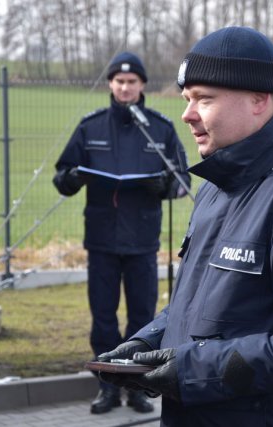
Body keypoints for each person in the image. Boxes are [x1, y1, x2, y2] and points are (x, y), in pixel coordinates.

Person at [95, 26, 273, 426]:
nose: (187, 114)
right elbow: (201, 307)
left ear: (259, 99)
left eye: (204, 99)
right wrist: (146, 343)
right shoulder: (215, 189)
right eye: (188, 99)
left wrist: (193, 370)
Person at [52, 51, 191, 415]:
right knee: (103, 317)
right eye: (118, 81)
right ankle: (107, 388)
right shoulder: (91, 126)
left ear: (142, 85)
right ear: (110, 84)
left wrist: (162, 186)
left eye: (131, 82)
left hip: (143, 241)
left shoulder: (159, 128)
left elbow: (181, 182)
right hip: (101, 240)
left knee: (142, 317)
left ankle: (140, 387)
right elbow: (62, 176)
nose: (125, 87)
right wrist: (71, 178)